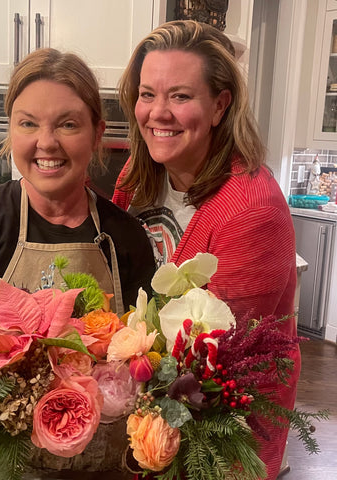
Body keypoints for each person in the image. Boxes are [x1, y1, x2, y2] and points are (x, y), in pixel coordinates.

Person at [112, 20, 300, 480]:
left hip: (221, 428)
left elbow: (219, 364)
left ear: (219, 105)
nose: (158, 112)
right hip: (149, 405)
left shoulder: (252, 210)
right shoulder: (137, 177)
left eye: (180, 96)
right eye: (147, 94)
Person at [0, 48, 155, 382]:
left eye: (68, 125)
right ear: (11, 129)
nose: (46, 142)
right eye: (28, 123)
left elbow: (147, 351)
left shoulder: (126, 236)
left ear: (97, 133)